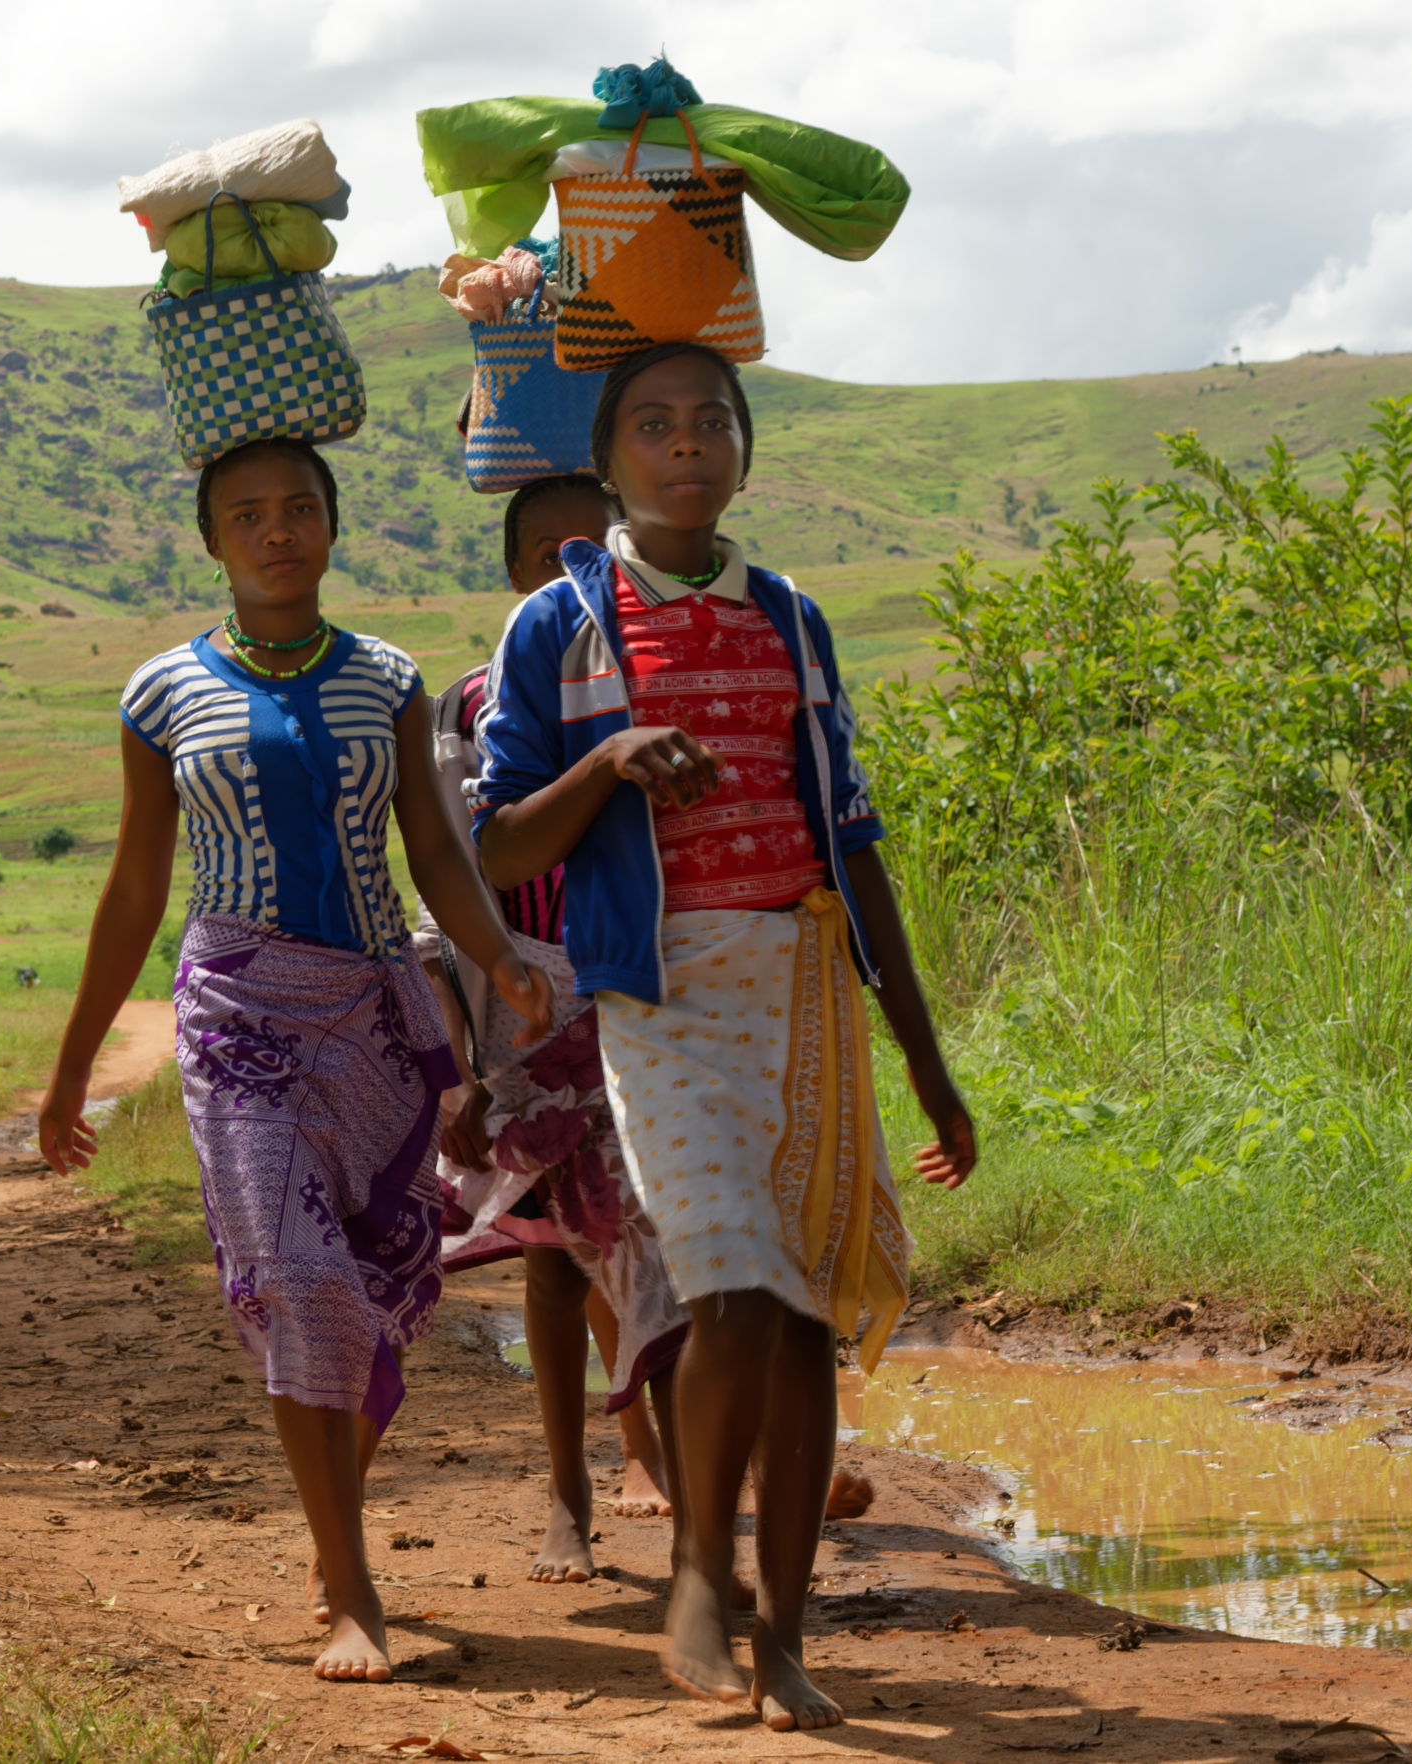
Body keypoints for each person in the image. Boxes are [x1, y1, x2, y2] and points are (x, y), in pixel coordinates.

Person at [471, 344, 977, 1732]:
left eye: (711, 421)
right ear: (609, 456)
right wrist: (611, 759)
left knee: (803, 1319)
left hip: (804, 984)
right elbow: (498, 837)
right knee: (738, 1291)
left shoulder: (794, 621)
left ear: (744, 447)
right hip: (659, 995)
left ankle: (786, 1638)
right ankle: (700, 1555)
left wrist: (928, 1067)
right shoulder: (559, 630)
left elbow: (854, 844)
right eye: (653, 424)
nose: (684, 444)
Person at [35, 436, 552, 1687]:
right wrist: (69, 1071)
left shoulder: (388, 679)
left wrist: (503, 960)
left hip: (374, 1012)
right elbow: (135, 887)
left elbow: (434, 851)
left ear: (333, 524)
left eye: (300, 509)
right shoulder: (162, 692)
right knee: (299, 1280)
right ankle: (352, 1585)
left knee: (372, 1282)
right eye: (249, 516)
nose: (278, 532)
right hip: (236, 1019)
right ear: (213, 540)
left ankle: (331, 1534)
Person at [417, 473, 688, 1582]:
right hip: (530, 1008)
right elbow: (448, 878)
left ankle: (675, 1471)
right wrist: (464, 1064)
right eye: (545, 555)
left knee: (673, 1242)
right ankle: (569, 1495)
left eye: (594, 547)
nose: (571, 573)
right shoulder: (469, 703)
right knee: (556, 1268)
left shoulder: (671, 676)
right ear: (517, 575)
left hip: (652, 998)